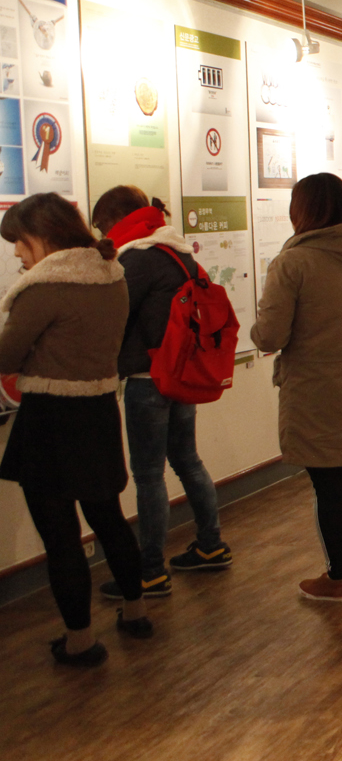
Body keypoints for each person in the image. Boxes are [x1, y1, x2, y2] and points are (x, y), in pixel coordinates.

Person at [0, 194, 150, 666]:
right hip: (98, 411)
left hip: (50, 419)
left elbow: (6, 356)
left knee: (61, 535)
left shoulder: (45, 287)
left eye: (20, 242)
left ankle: (80, 641)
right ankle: (136, 612)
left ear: (44, 235)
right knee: (109, 519)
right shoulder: (111, 274)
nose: (17, 253)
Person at [252, 174, 342, 601]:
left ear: (303, 211)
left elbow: (270, 335)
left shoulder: (294, 262)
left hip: (317, 388)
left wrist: (256, 329)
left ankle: (336, 579)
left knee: (328, 481)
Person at [89, 186, 232, 600]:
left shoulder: (136, 259)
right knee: (187, 460)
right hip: (180, 375)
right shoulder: (177, 251)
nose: (102, 236)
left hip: (147, 378)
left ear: (116, 220)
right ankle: (210, 544)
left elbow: (112, 316)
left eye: (101, 227)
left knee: (149, 474)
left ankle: (149, 570)